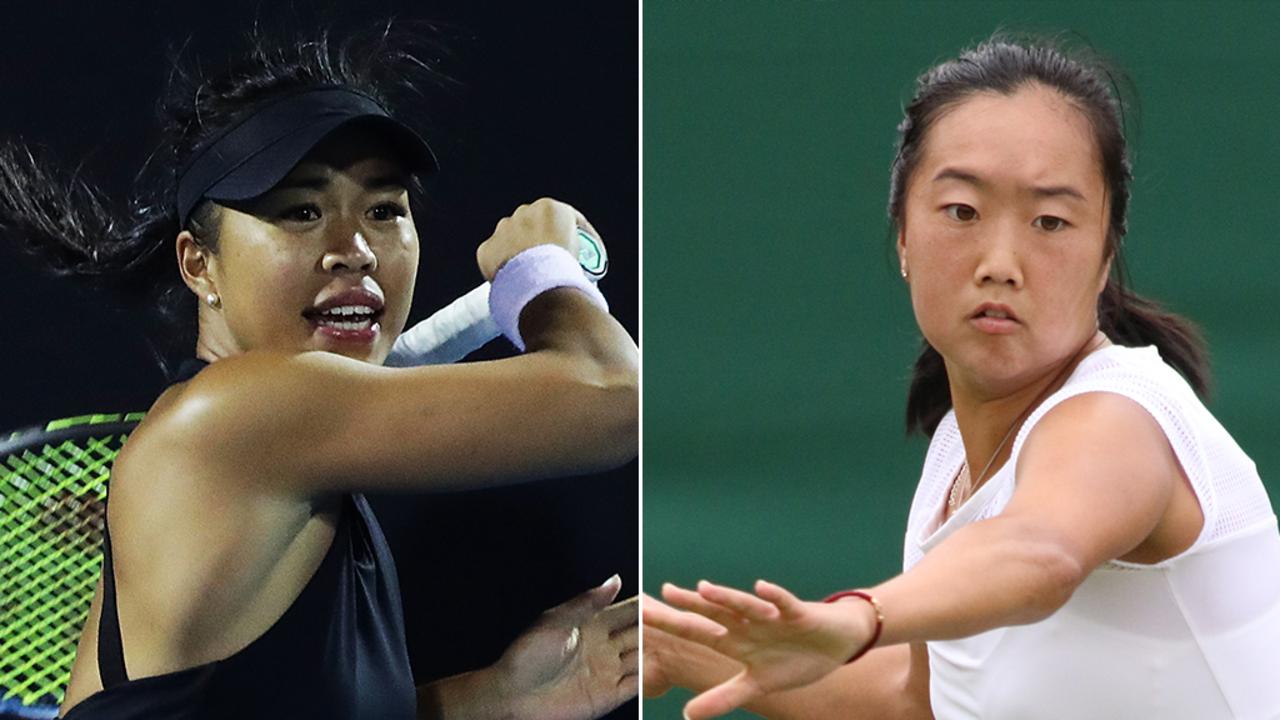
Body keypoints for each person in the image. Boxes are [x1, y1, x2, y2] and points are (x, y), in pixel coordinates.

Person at [0, 27, 637, 720]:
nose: (355, 249)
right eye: (301, 211)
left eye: (384, 210)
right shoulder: (242, 414)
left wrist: (501, 696)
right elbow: (615, 397)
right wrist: (540, 271)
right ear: (197, 264)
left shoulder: (259, 458)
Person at [643, 36, 1280, 720]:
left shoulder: (1122, 414)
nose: (1000, 262)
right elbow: (914, 702)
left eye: (1050, 221)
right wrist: (678, 649)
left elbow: (1039, 550)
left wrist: (863, 614)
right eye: (963, 212)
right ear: (903, 237)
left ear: (1104, 257)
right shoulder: (955, 463)